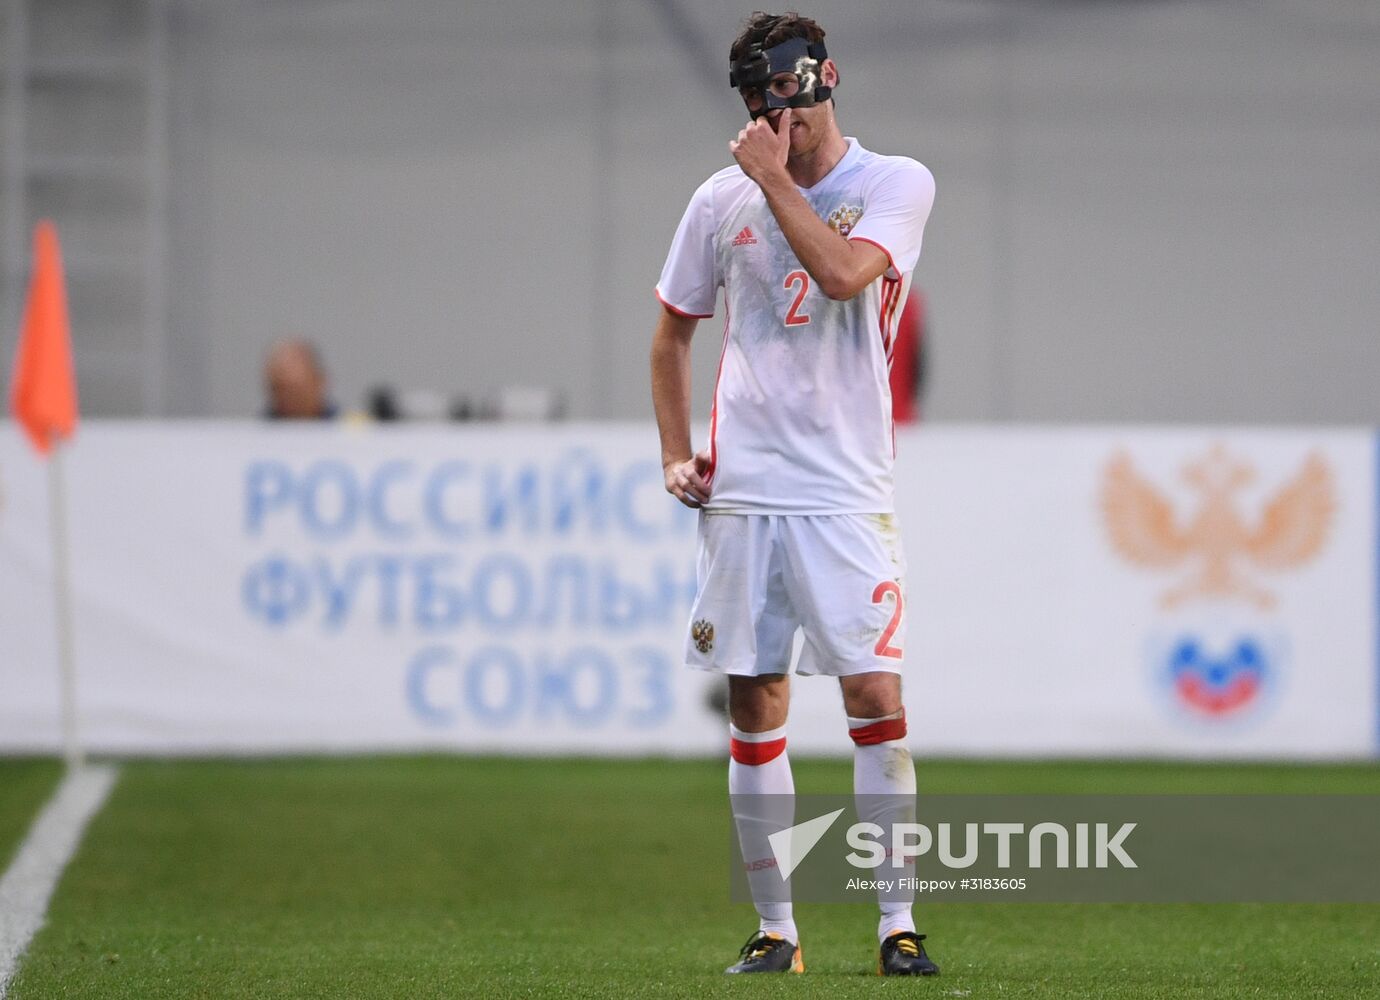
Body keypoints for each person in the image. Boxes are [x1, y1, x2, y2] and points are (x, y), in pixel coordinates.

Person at [649, 11, 937, 977]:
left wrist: (773, 181)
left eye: (790, 96)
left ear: (827, 80)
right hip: (746, 494)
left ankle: (898, 925)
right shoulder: (715, 201)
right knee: (756, 699)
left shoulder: (895, 184)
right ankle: (778, 932)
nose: (780, 118)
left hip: (848, 489)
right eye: (760, 102)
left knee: (873, 694)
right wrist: (675, 453)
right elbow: (672, 330)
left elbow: (848, 275)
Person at [262, 339, 337, 420]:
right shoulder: (256, 429)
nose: (290, 399)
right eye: (280, 388)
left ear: (319, 381)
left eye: (295, 389)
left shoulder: (346, 428)